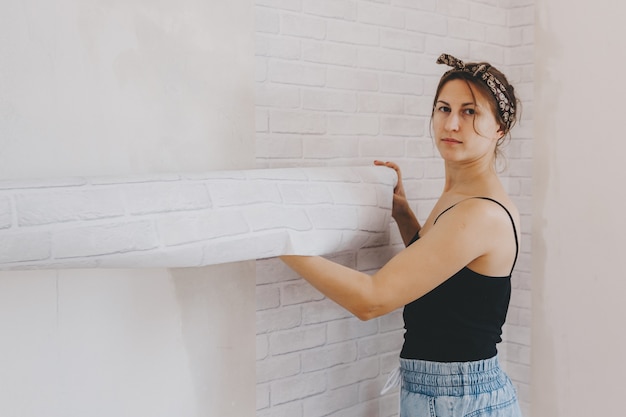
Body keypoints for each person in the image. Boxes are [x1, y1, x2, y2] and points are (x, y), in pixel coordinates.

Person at [280, 53, 523, 417]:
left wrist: (281, 241)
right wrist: (404, 214)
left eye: (470, 112)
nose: (452, 123)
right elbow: (448, 275)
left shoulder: (479, 212)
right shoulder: (463, 195)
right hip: (451, 395)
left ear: (500, 128)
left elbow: (371, 300)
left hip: (458, 401)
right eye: (444, 108)